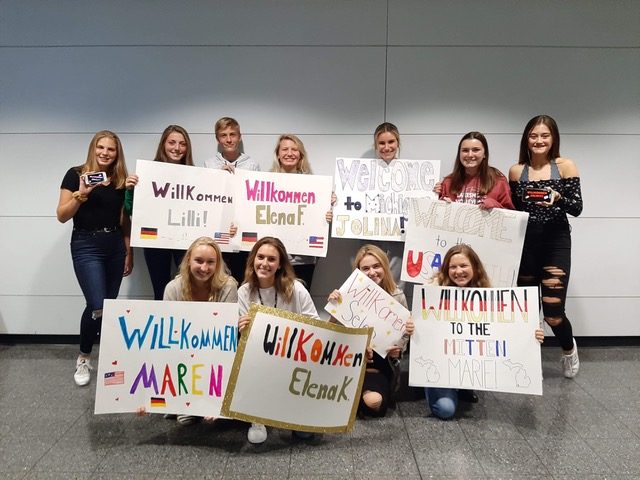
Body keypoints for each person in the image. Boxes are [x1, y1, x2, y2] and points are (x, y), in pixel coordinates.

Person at [426, 244, 545, 419]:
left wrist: (531, 334)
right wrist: (414, 325)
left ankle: (462, 386)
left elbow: (505, 330)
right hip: (440, 364)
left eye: (463, 265)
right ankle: (433, 387)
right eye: (453, 267)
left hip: (466, 360)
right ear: (446, 269)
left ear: (475, 267)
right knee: (446, 410)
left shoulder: (486, 293)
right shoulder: (432, 290)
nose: (458, 271)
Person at [56, 130, 134, 386]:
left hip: (115, 245)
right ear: (93, 148)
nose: (105, 153)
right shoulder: (75, 174)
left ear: (117, 153)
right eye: (101, 147)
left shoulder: (120, 180)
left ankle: (110, 358)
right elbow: (62, 215)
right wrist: (82, 194)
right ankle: (84, 356)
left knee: (108, 306)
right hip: (86, 244)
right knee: (96, 303)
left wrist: (129, 251)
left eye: (111, 149)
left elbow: (124, 220)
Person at [509, 115, 583, 378]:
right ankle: (527, 361)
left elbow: (577, 208)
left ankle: (569, 349)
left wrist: (558, 198)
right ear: (526, 139)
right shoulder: (516, 171)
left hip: (555, 242)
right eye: (533, 135)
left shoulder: (565, 166)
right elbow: (512, 209)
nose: (539, 140)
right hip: (526, 244)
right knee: (527, 311)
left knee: (553, 313)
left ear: (553, 138)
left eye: (544, 135)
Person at [237, 236, 320, 444]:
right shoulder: (244, 292)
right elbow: (243, 337)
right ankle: (257, 418)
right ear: (253, 260)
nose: (264, 263)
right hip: (259, 359)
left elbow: (316, 325)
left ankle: (294, 411)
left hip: (293, 358)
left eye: (271, 259)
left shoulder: (296, 288)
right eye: (260, 257)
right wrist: (242, 327)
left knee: (304, 434)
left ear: (280, 264)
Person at [327, 244, 414, 417]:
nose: (372, 272)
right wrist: (334, 308)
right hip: (350, 363)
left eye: (376, 266)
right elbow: (331, 334)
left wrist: (400, 347)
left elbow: (402, 338)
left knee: (373, 403)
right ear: (358, 271)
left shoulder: (397, 296)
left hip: (379, 365)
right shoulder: (347, 294)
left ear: (385, 267)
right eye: (366, 268)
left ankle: (358, 395)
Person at [163, 236, 238, 425]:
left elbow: (224, 336)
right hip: (183, 352)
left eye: (210, 262)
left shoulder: (228, 286)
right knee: (185, 420)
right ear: (188, 260)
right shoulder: (173, 289)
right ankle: (183, 399)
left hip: (214, 351)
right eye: (199, 261)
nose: (204, 268)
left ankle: (211, 397)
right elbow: (168, 334)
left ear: (217, 264)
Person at [124, 125, 194, 300]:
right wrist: (130, 190)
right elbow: (131, 210)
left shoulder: (196, 175)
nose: (177, 148)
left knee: (189, 290)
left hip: (185, 238)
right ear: (163, 144)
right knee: (160, 290)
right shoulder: (147, 173)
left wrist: (224, 179)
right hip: (155, 240)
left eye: (182, 144)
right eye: (172, 142)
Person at [270, 134, 333, 290]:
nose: (289, 153)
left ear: (301, 155)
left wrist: (328, 211)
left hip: (303, 258)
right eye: (285, 149)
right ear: (278, 154)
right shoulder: (266, 182)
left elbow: (318, 218)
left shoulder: (314, 185)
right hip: (274, 256)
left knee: (300, 301)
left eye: (294, 149)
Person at [205, 117, 260, 283]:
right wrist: (218, 178)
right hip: (218, 232)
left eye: (232, 134)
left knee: (242, 280)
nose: (229, 139)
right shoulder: (209, 164)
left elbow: (255, 199)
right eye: (223, 135)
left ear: (239, 137)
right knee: (217, 281)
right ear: (217, 139)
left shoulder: (252, 165)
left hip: (243, 234)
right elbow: (205, 198)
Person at [436, 131, 514, 209]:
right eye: (465, 150)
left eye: (476, 150)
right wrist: (438, 199)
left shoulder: (498, 181)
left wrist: (495, 205)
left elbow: (511, 213)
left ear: (485, 154)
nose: (470, 155)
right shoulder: (448, 182)